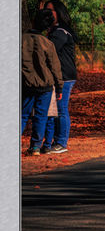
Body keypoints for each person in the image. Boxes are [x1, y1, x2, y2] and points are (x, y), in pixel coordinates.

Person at [22, 9, 62, 156]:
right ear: (48, 26)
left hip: (25, 84)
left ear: (34, 21)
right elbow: (55, 67)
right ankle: (35, 147)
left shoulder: (21, 39)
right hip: (44, 86)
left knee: (22, 115)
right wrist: (59, 87)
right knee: (41, 116)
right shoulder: (47, 43)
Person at [41, 0, 76, 154]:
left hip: (64, 77)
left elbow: (47, 50)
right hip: (58, 76)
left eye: (50, 10)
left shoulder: (61, 32)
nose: (47, 13)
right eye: (45, 10)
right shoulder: (55, 30)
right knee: (55, 110)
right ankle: (55, 141)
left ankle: (61, 142)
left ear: (59, 13)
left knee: (61, 109)